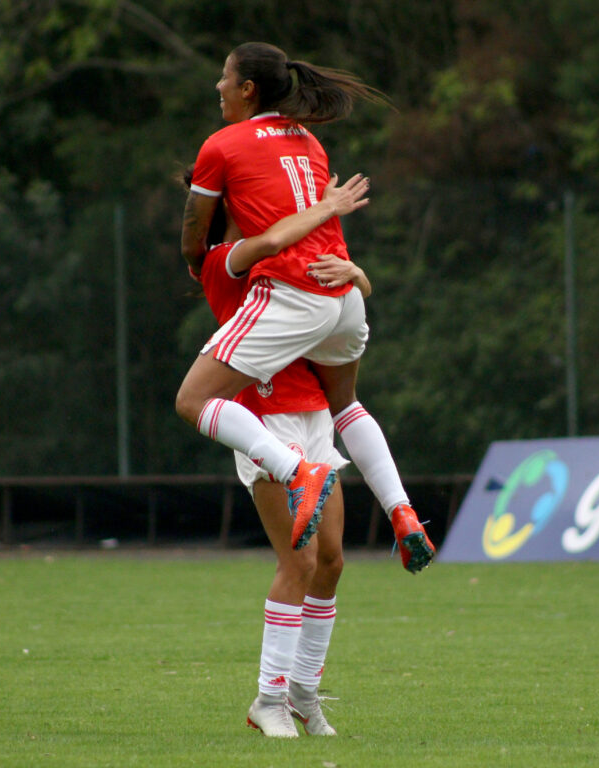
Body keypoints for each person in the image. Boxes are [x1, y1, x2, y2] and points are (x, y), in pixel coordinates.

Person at [176, 41, 435, 573]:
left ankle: (296, 473)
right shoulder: (309, 142)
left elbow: (234, 242)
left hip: (296, 305)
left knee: (193, 400)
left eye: (225, 77)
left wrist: (195, 257)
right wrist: (357, 270)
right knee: (349, 407)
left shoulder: (222, 152)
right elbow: (303, 225)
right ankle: (402, 511)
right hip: (342, 293)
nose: (218, 87)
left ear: (248, 88)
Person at [185, 164, 369, 737]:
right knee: (299, 562)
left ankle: (305, 694)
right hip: (263, 419)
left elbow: (345, 302)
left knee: (332, 560)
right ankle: (269, 698)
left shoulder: (293, 250)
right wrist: (325, 208)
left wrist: (355, 274)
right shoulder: (226, 257)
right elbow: (269, 239)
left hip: (313, 412)